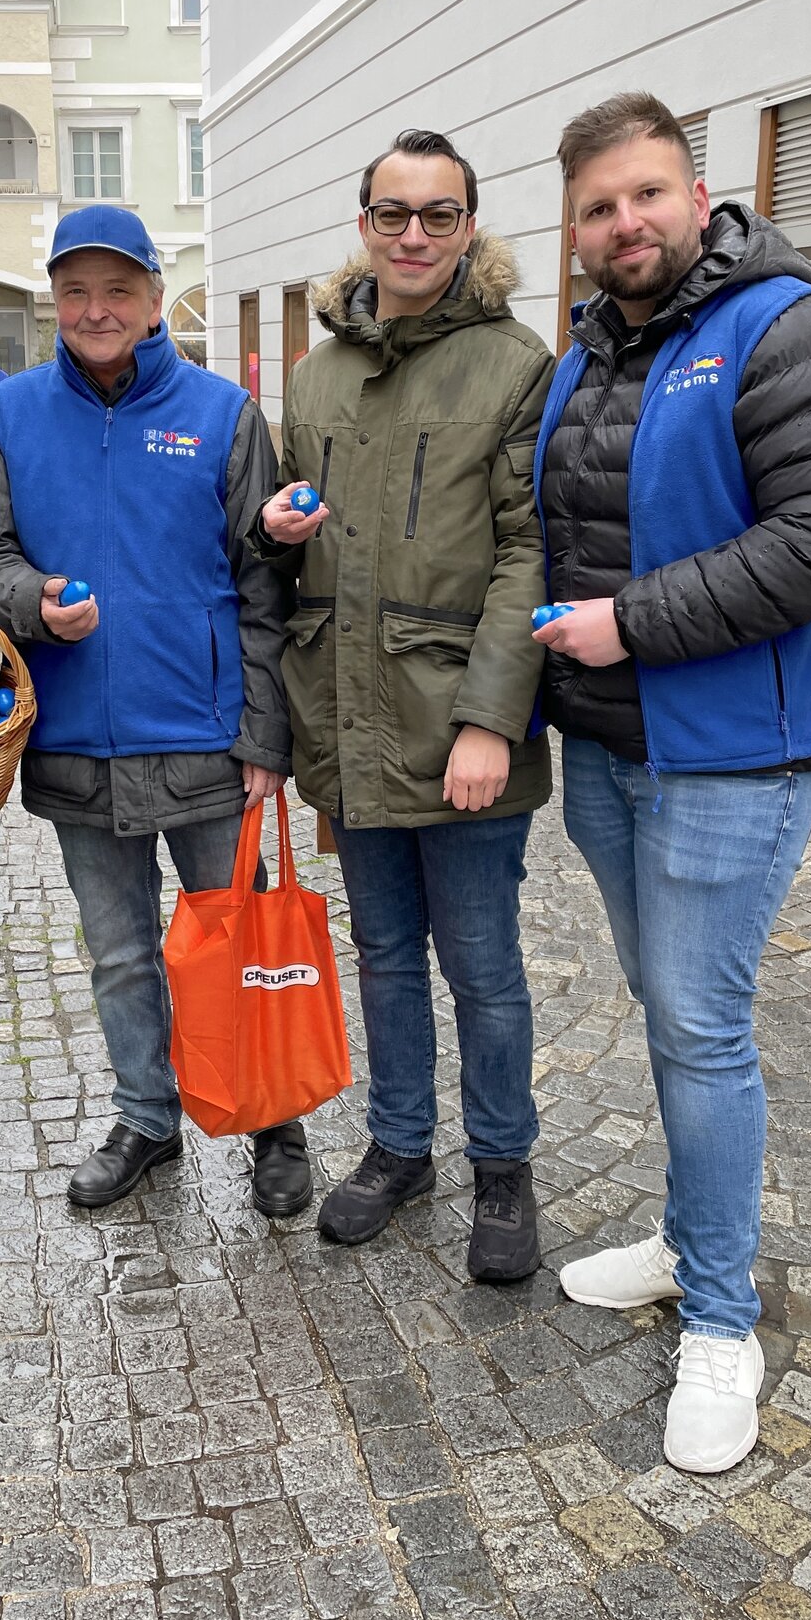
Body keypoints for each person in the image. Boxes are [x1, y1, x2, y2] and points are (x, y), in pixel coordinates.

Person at [533, 91, 811, 1471]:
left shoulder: (784, 325)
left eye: (646, 196)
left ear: (699, 198)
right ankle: (689, 1245)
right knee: (670, 1011)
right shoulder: (588, 358)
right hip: (614, 753)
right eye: (598, 207)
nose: (625, 224)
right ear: (573, 229)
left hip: (741, 749)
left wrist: (629, 624)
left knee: (701, 1026)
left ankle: (725, 1319)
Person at [0, 205, 304, 1215]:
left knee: (239, 939)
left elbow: (261, 585)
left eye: (117, 289)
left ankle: (275, 1121)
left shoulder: (226, 414)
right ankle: (148, 1117)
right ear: (53, 300)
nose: (95, 309)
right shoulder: (8, 414)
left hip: (205, 737)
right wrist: (30, 601)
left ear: (154, 299)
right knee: (119, 953)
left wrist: (263, 734)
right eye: (75, 290)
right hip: (75, 738)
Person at [255, 129, 553, 1284]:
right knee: (381, 951)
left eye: (439, 215)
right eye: (394, 214)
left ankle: (503, 1166)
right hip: (350, 716)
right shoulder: (317, 370)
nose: (415, 235)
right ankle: (399, 1144)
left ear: (470, 226)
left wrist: (491, 718)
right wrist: (282, 526)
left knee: (481, 960)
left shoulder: (515, 362)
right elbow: (294, 538)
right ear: (363, 224)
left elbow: (531, 551)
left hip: (458, 727)